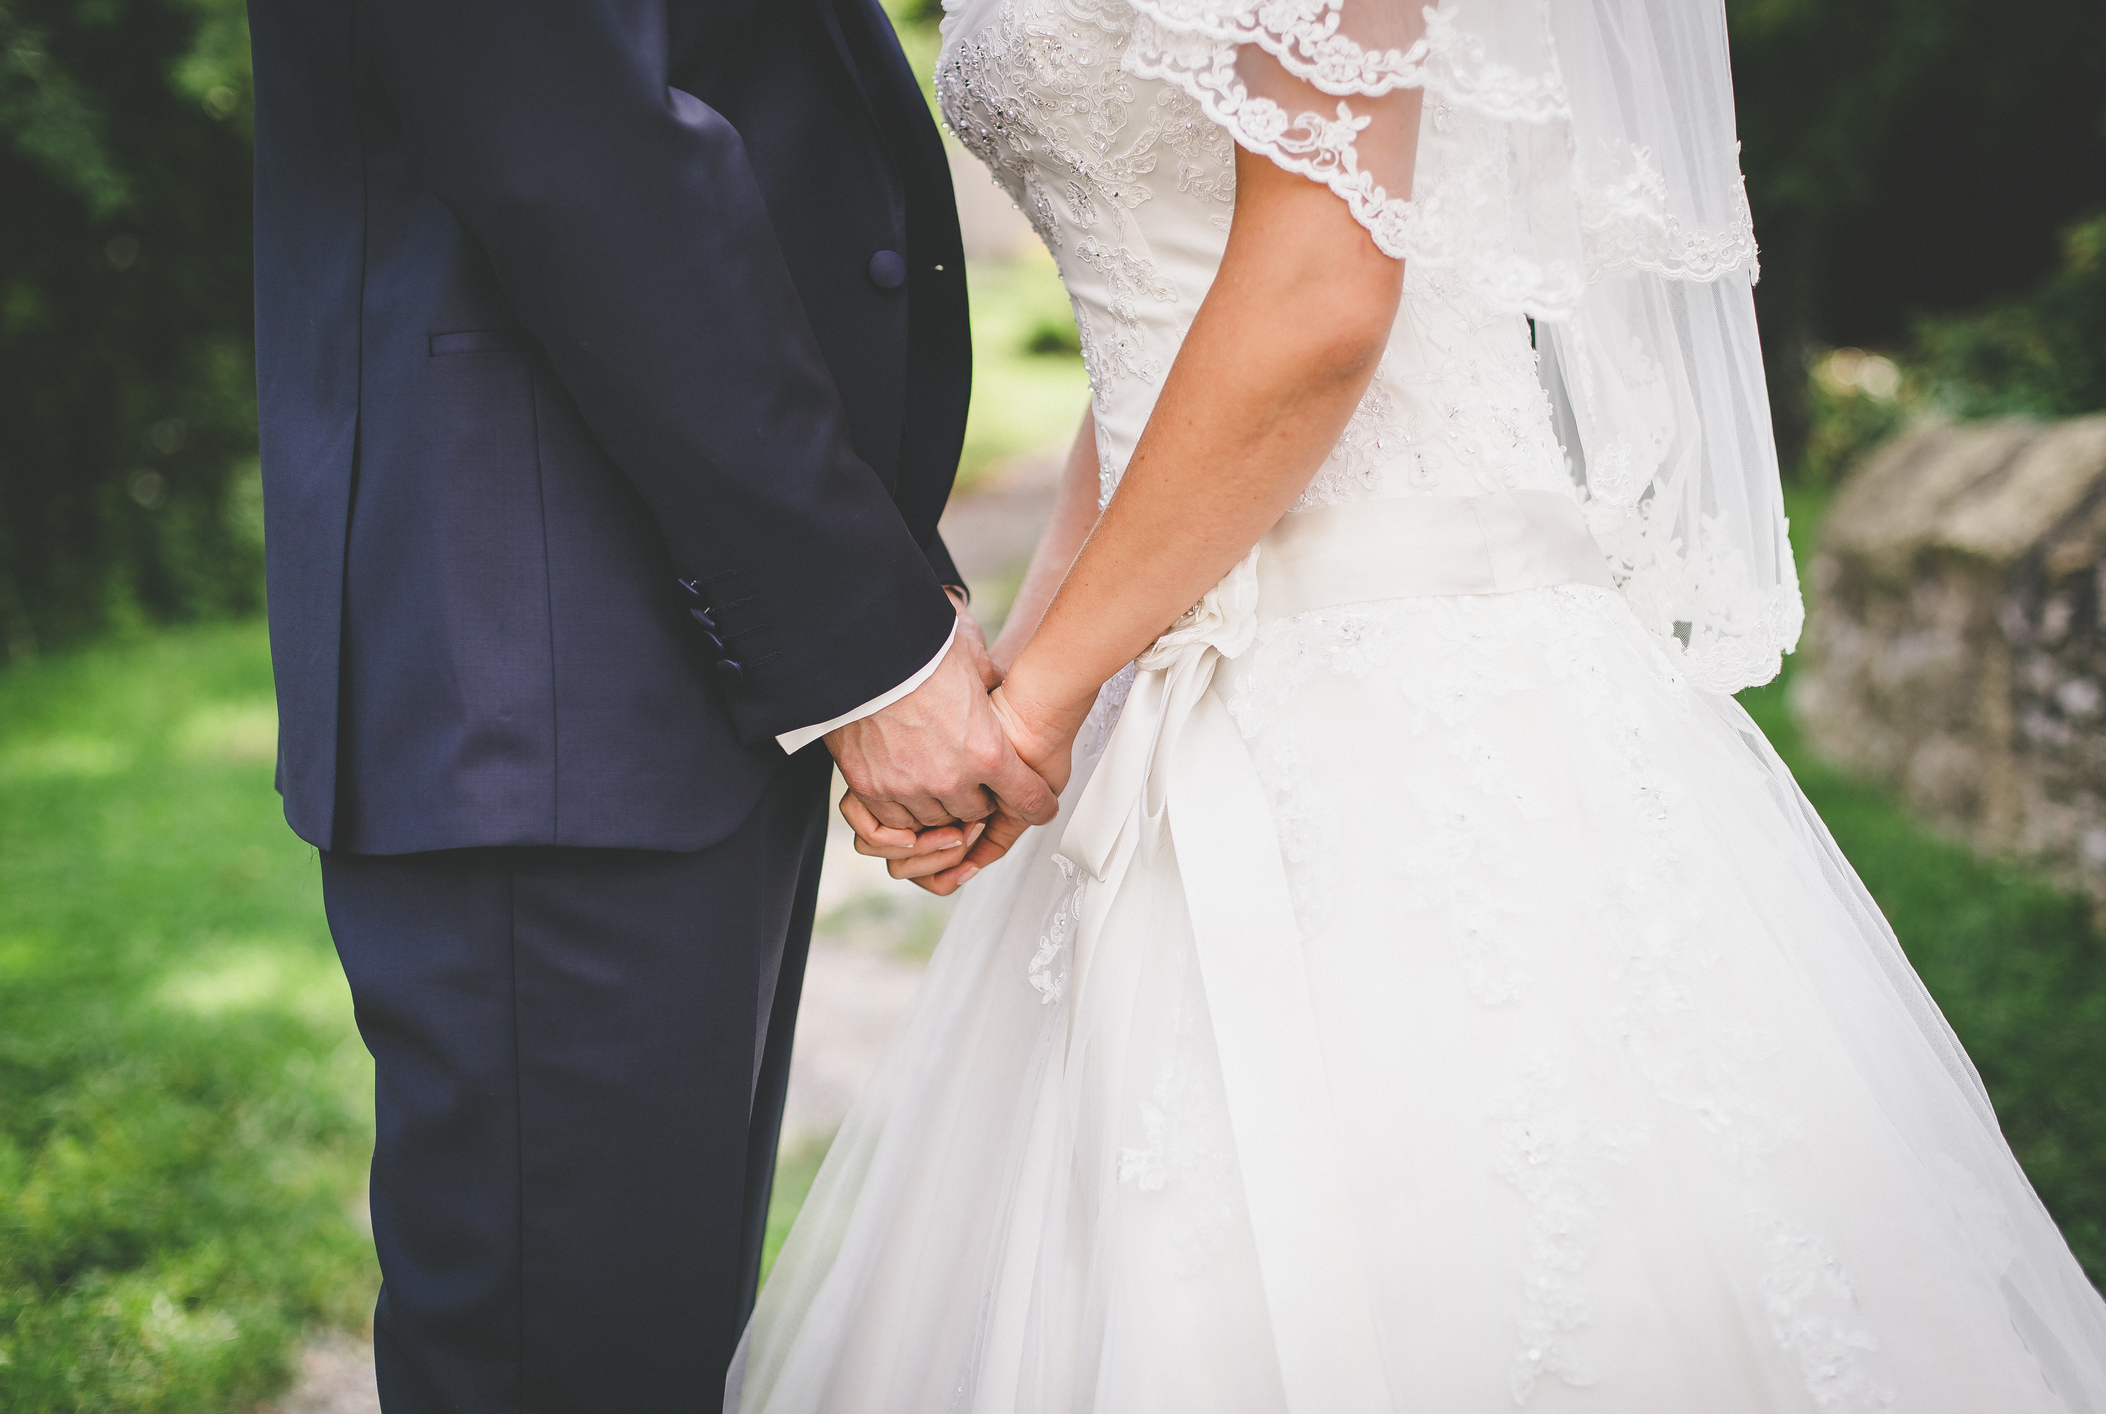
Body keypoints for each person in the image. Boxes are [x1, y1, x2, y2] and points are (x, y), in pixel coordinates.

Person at [733, 0, 2106, 1409]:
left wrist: (1026, 718)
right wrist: (1037, 675)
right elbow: (1167, 321)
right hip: (1186, 634)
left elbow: (1318, 297)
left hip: (1408, 676)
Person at [244, 0, 1056, 1408]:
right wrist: (870, 648)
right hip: (549, 672)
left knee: (651, 1344)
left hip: (643, 654)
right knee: (565, 1361)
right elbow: (577, 148)